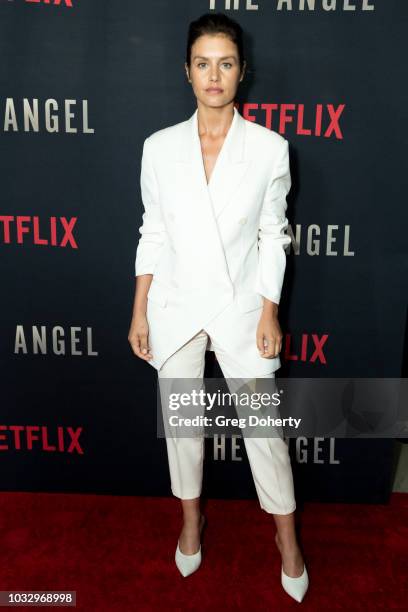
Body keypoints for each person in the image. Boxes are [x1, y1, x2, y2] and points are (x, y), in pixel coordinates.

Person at [128, 12, 309, 602]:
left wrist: (268, 310)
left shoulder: (268, 149)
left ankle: (286, 538)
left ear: (241, 72)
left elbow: (272, 237)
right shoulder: (158, 149)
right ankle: (190, 522)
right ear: (187, 71)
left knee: (264, 431)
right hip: (176, 305)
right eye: (202, 63)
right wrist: (139, 309)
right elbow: (152, 232)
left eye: (225, 63)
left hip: (239, 306)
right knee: (184, 429)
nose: (214, 75)